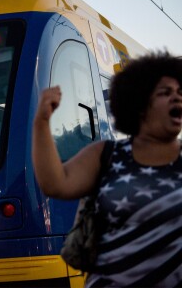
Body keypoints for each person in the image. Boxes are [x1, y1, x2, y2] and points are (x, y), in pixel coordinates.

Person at [33, 51, 182, 287]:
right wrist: (41, 123)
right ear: (140, 104)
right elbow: (55, 183)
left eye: (180, 92)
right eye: (165, 93)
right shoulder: (105, 154)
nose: (177, 98)